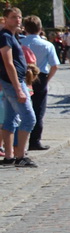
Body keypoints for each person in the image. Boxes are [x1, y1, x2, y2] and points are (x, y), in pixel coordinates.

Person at [0, 9, 37, 169]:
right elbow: (8, 64)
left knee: (10, 120)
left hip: (14, 82)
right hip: (13, 83)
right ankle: (20, 156)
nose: (18, 20)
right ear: (5, 19)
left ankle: (9, 156)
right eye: (13, 17)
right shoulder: (5, 36)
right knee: (29, 118)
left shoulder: (11, 36)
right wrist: (19, 89)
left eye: (19, 17)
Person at [18, 17, 57, 152]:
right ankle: (34, 141)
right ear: (40, 29)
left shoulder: (19, 43)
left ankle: (17, 141)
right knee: (38, 110)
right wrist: (47, 79)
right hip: (39, 77)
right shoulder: (47, 45)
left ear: (24, 28)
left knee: (20, 109)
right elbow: (54, 65)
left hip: (22, 76)